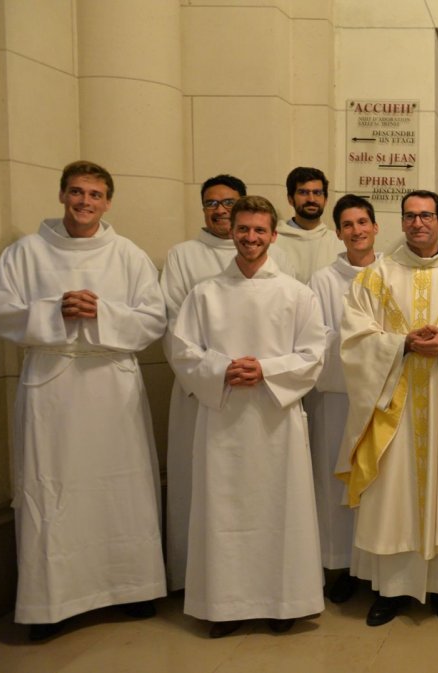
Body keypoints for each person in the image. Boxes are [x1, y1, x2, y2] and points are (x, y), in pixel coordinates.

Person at [0, 160, 167, 641]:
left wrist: (102, 312)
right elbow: (0, 311)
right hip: (53, 385)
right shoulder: (26, 252)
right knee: (52, 488)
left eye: (94, 194)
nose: (84, 202)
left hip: (110, 384)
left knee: (122, 485)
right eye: (76, 192)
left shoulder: (127, 254)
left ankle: (131, 588)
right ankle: (50, 603)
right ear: (62, 195)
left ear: (107, 201)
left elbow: (153, 320)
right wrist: (54, 310)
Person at [170, 195, 326, 638]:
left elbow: (314, 355)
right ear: (231, 232)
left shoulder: (297, 294)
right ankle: (223, 605)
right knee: (224, 511)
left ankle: (283, 601)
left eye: (260, 230)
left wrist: (267, 369)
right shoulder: (205, 294)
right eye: (243, 229)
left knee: (280, 508)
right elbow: (182, 351)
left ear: (274, 235)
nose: (251, 238)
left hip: (276, 420)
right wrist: (221, 369)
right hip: (223, 420)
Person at [335, 190, 438, 626]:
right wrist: (399, 343)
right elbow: (354, 338)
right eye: (410, 216)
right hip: (394, 410)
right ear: (401, 222)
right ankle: (393, 590)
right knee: (393, 497)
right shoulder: (375, 278)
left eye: (426, 216)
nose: (417, 223)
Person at [159, 173, 248, 593]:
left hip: (255, 392)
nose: (220, 210)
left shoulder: (271, 254)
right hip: (202, 389)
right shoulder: (183, 256)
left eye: (229, 202)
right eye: (211, 203)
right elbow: (175, 325)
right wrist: (216, 370)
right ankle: (196, 580)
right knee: (197, 486)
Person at [305, 194, 383, 606]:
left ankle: (377, 565)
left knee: (377, 483)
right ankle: (342, 565)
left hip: (383, 400)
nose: (357, 231)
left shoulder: (391, 273)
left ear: (375, 227)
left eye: (363, 222)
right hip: (337, 398)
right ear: (338, 232)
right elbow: (314, 337)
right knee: (336, 484)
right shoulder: (322, 280)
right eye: (348, 224)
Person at [270, 166, 344, 283]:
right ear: (290, 199)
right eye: (303, 192)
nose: (311, 199)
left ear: (325, 200)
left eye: (317, 193)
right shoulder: (274, 241)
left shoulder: (339, 243)